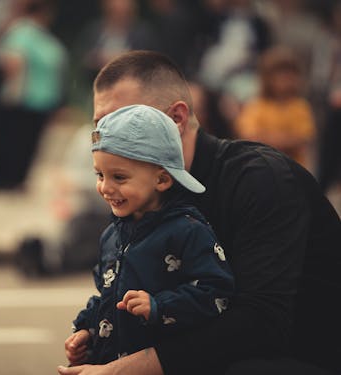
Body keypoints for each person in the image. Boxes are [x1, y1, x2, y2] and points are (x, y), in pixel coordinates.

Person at [57, 50, 341, 375]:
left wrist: (125, 370)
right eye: (101, 126)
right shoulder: (140, 197)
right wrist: (92, 337)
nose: (109, 136)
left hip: (301, 357)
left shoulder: (261, 179)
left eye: (126, 120)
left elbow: (260, 323)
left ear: (177, 118)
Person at [65, 104, 235, 366]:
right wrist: (87, 330)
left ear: (162, 180)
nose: (105, 188)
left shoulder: (188, 230)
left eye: (119, 177)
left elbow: (218, 294)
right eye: (100, 175)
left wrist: (159, 306)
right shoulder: (112, 234)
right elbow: (106, 294)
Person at [0, 0, 68, 189]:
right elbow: (12, 63)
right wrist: (15, 93)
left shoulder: (40, 34)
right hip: (23, 99)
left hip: (39, 100)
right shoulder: (21, 31)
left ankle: (18, 180)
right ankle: (10, 180)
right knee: (17, 143)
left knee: (27, 144)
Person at [234, 45, 316, 168]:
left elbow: (303, 138)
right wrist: (286, 139)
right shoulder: (256, 105)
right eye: (280, 75)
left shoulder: (300, 106)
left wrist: (270, 139)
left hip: (294, 168)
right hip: (261, 166)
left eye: (291, 75)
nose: (286, 80)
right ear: (267, 78)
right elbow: (250, 137)